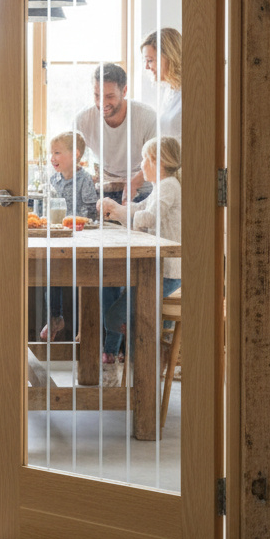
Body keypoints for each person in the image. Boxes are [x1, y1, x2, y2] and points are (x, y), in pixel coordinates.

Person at [96, 136, 182, 380]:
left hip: (166, 272)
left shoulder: (168, 186)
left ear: (158, 161)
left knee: (115, 316)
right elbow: (140, 210)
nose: (141, 165)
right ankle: (139, 356)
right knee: (119, 305)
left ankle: (147, 355)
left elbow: (149, 218)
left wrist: (120, 212)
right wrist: (115, 207)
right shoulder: (163, 185)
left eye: (145, 159)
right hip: (157, 269)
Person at [37, 131, 99, 342]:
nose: (52, 158)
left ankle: (86, 327)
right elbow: (46, 206)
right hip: (58, 237)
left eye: (57, 152)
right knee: (50, 273)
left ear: (75, 155)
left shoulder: (84, 179)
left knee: (84, 278)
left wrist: (77, 221)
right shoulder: (53, 179)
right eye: (50, 153)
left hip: (79, 238)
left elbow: (91, 212)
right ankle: (54, 316)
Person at [74, 62, 159, 204]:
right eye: (97, 95)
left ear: (124, 91)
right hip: (105, 188)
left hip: (143, 190)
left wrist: (133, 185)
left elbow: (156, 160)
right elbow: (71, 156)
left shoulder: (147, 116)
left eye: (109, 96)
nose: (102, 103)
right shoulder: (83, 119)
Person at [140, 27, 182, 142]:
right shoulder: (170, 90)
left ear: (170, 57)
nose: (147, 67)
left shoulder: (189, 92)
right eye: (145, 61)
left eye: (150, 60)